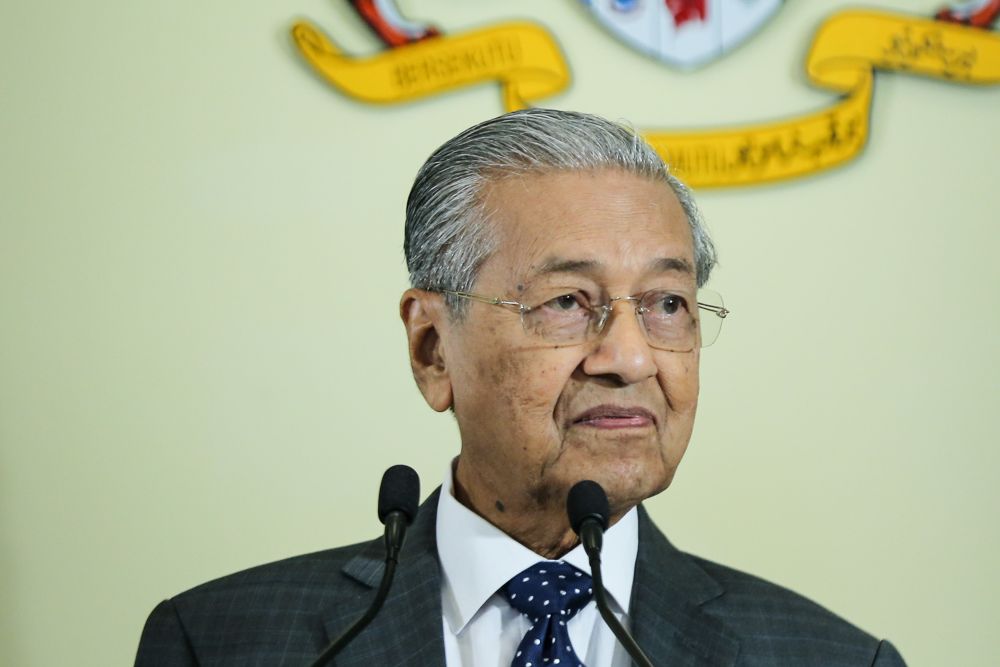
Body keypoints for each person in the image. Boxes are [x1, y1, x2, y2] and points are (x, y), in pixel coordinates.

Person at [135, 109, 906, 666]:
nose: (631, 358)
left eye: (668, 304)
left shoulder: (832, 656)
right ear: (433, 347)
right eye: (568, 302)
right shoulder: (221, 641)